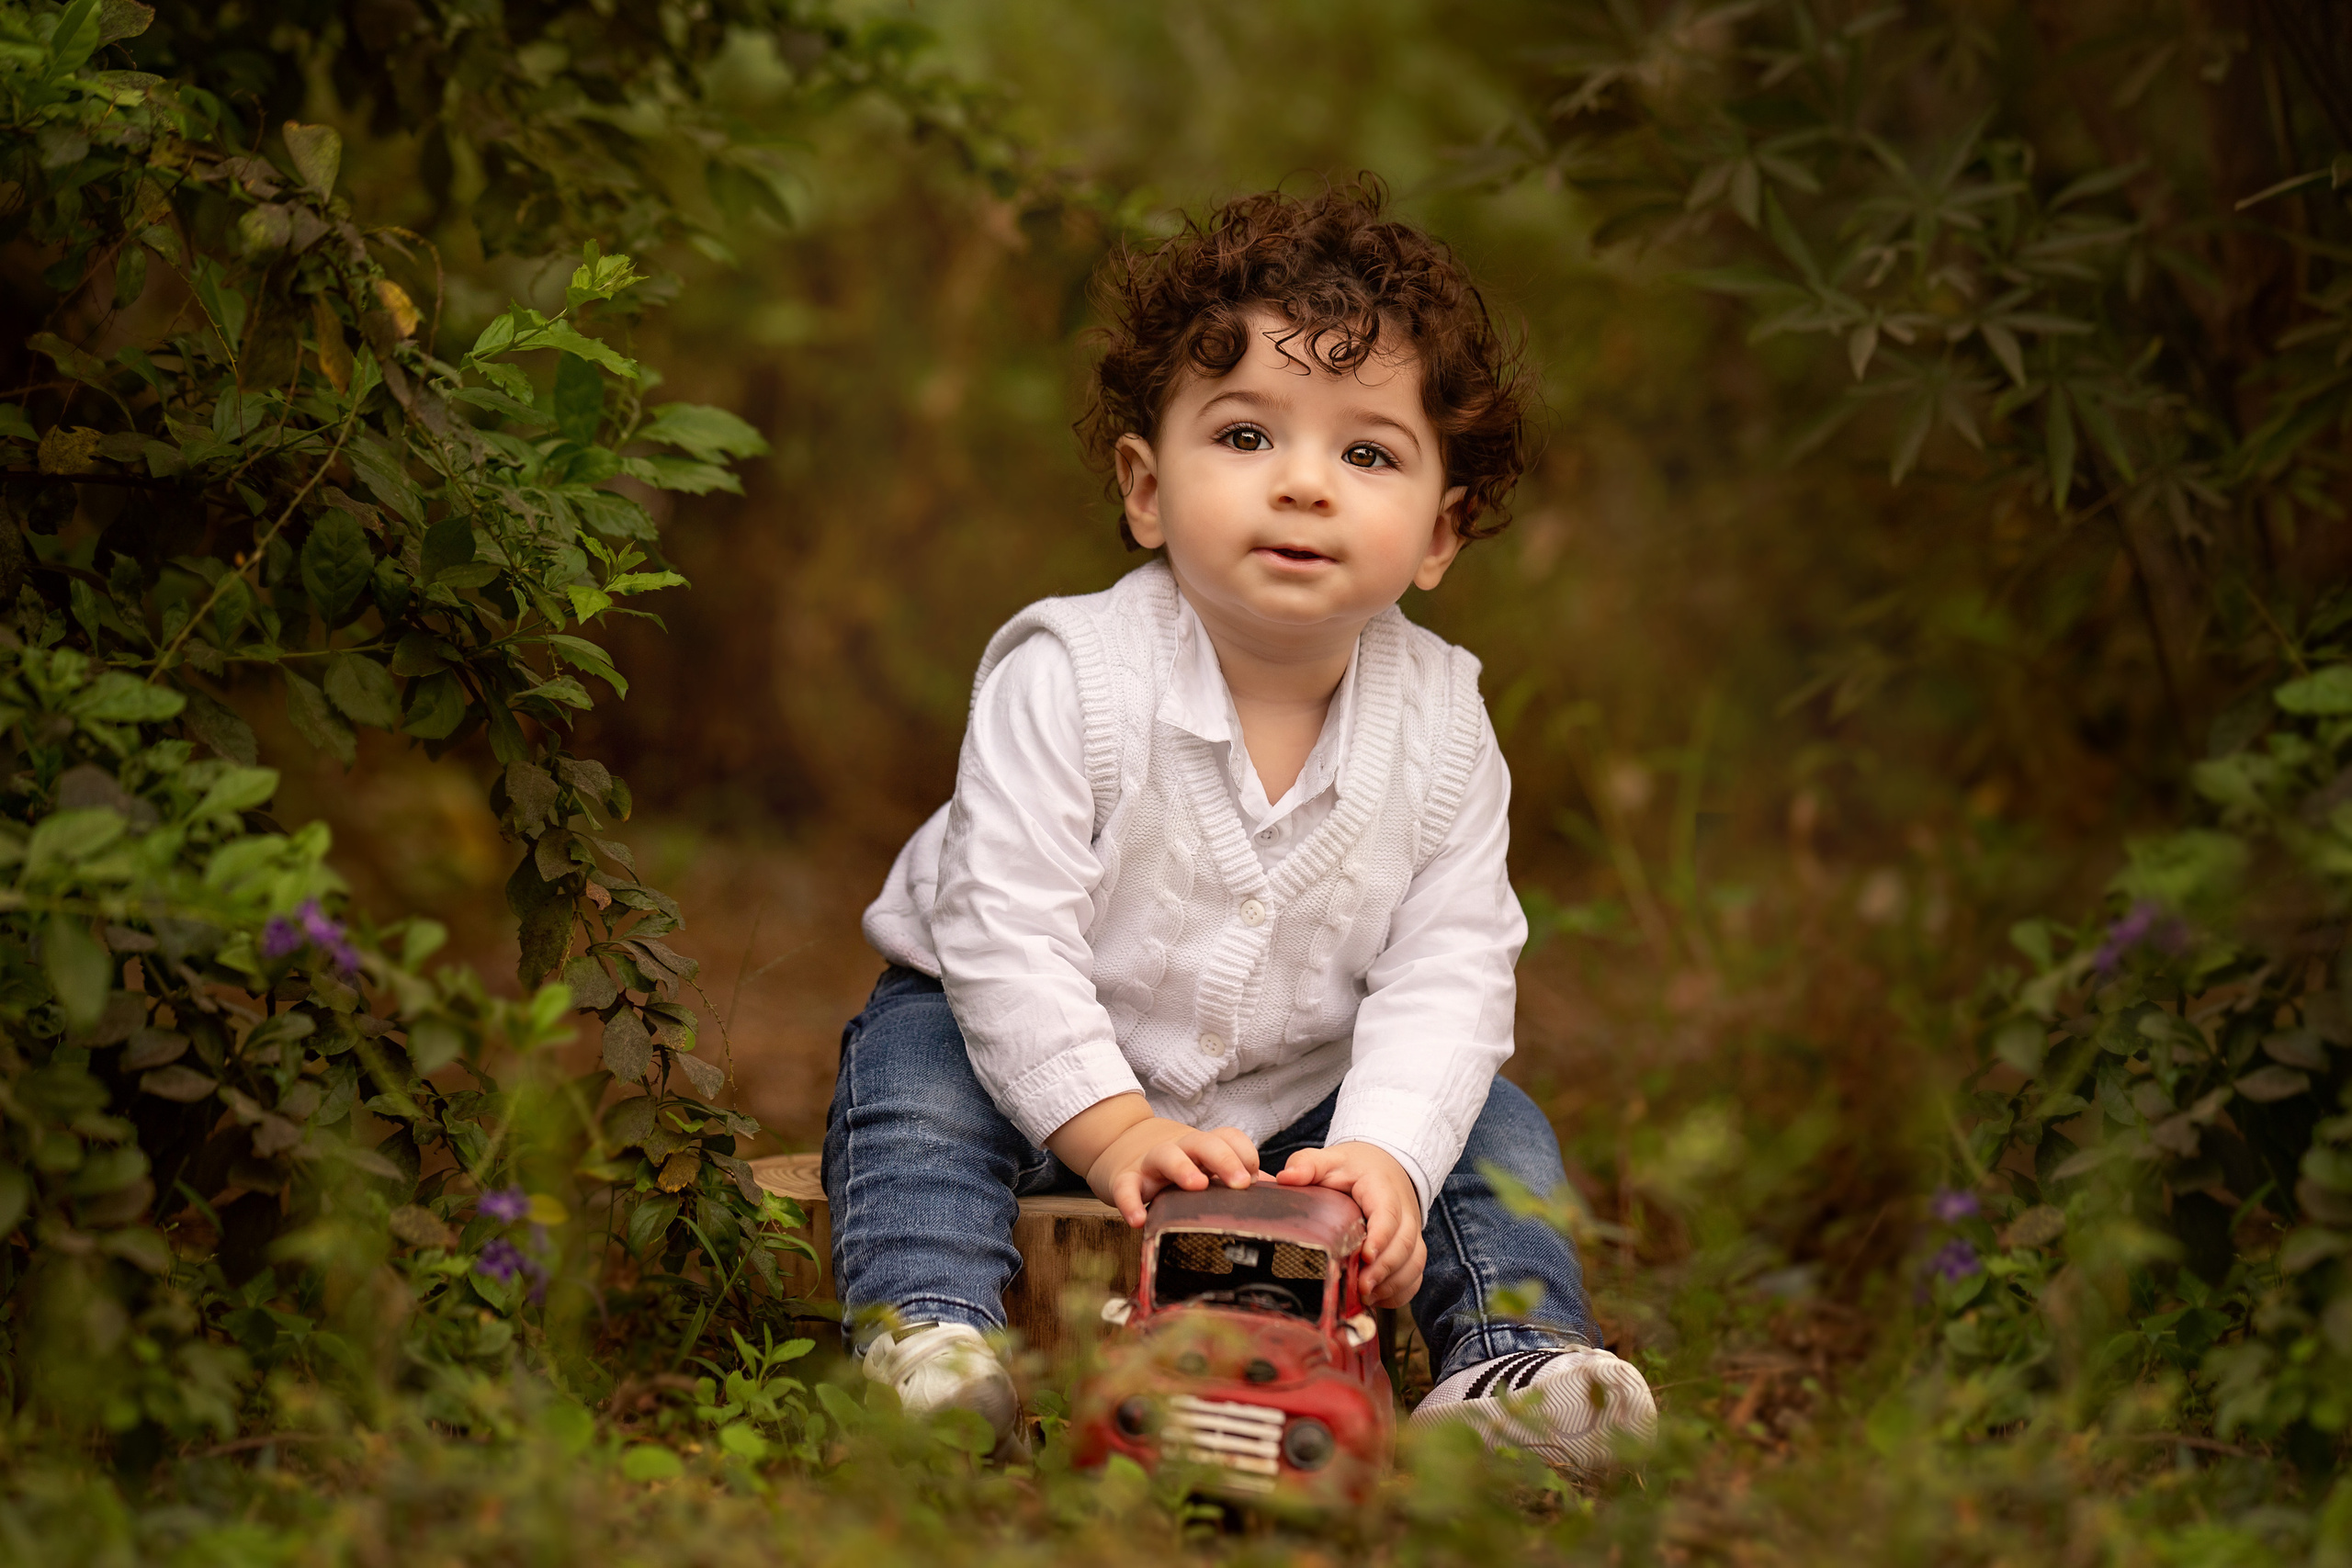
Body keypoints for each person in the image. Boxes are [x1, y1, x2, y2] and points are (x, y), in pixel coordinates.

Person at [826, 181, 1656, 1472]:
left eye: (1368, 454)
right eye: (1249, 435)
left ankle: (1515, 1365)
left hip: (1288, 1107)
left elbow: (1451, 971)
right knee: (916, 1081)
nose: (1306, 485)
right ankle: (930, 1339)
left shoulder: (1444, 723)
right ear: (1147, 487)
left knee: (1491, 1125)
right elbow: (1004, 934)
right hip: (1020, 1050)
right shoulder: (1071, 674)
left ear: (1440, 532)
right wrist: (1111, 1126)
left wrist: (1381, 1155)